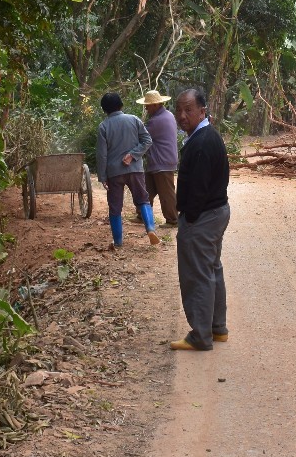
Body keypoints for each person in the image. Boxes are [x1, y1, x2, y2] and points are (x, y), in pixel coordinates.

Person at [169, 88, 230, 351]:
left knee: (198, 275)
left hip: (203, 216)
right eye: (179, 110)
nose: (182, 116)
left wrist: (190, 219)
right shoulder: (203, 136)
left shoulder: (203, 141)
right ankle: (217, 328)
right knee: (211, 270)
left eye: (188, 110)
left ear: (202, 111)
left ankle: (201, 335)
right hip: (213, 212)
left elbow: (199, 187)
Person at [95, 92, 160, 248]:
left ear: (104, 110)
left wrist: (102, 177)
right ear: (121, 105)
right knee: (143, 199)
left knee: (115, 206)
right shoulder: (134, 119)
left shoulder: (103, 126)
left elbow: (102, 155)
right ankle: (150, 229)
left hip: (114, 173)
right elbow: (147, 141)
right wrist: (133, 155)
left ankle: (118, 241)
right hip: (135, 169)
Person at [137, 89, 179, 226]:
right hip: (160, 161)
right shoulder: (168, 115)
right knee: (146, 190)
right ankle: (142, 215)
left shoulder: (156, 121)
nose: (146, 108)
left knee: (166, 193)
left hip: (161, 162)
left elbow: (141, 136)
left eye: (148, 105)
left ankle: (172, 219)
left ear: (155, 105)